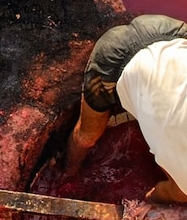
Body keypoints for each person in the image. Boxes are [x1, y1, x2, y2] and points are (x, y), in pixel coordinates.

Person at [65, 14, 187, 203]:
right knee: (86, 135)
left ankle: (67, 174)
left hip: (175, 33)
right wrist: (140, 208)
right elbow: (158, 196)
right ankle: (67, 177)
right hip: (114, 60)